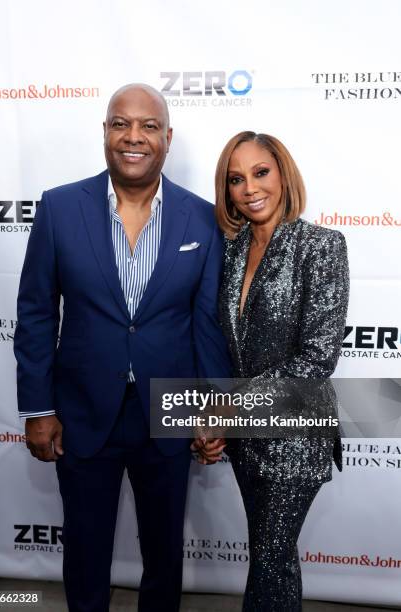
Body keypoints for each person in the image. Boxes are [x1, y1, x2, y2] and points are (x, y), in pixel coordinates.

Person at [13, 83, 232, 612]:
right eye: (120, 124)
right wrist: (38, 408)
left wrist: (214, 410)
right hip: (83, 411)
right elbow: (38, 313)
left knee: (164, 555)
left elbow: (207, 326)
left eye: (148, 126)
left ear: (167, 137)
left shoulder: (202, 218)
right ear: (106, 131)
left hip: (169, 414)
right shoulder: (60, 208)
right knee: (85, 552)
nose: (133, 137)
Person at [197, 131, 349, 611]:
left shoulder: (321, 246)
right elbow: (223, 345)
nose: (249, 188)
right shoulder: (231, 250)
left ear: (283, 173)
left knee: (269, 558)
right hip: (246, 439)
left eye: (260, 172)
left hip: (297, 435)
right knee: (272, 559)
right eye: (236, 179)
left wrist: (227, 410)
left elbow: (317, 356)